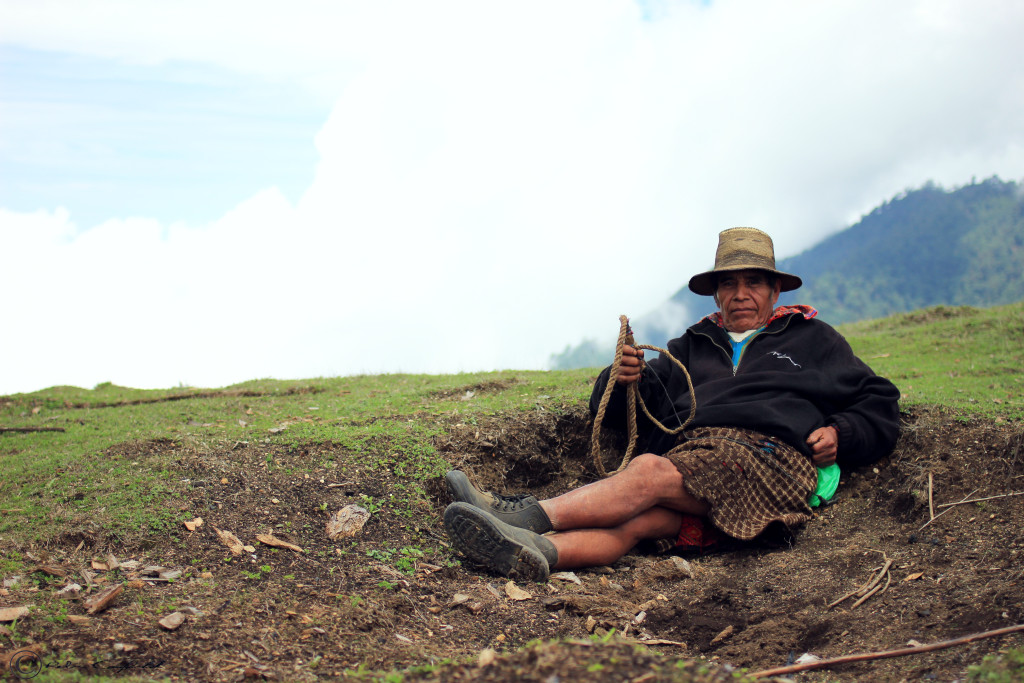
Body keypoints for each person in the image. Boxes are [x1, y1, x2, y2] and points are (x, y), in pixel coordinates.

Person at [443, 227, 901, 581]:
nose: (741, 293)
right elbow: (633, 414)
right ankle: (536, 551)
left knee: (648, 471)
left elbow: (879, 398)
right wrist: (622, 380)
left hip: (769, 461)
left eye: (754, 282)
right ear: (716, 292)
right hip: (701, 461)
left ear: (775, 291)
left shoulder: (814, 340)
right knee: (639, 521)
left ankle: (518, 514)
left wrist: (843, 432)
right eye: (730, 284)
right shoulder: (690, 347)